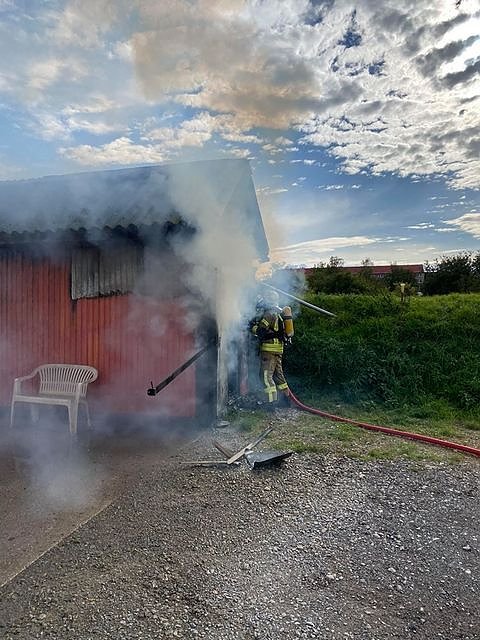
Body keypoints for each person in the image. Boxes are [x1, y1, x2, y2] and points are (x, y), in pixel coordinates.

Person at [250, 289, 291, 410]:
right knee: (278, 376)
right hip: (278, 349)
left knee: (265, 376)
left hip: (269, 350)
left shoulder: (269, 314)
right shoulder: (280, 313)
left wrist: (252, 327)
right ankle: (286, 400)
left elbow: (261, 331)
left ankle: (270, 403)